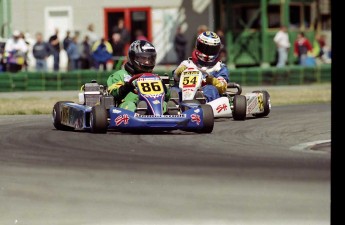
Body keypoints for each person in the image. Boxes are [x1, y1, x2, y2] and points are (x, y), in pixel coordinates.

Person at [106, 40, 174, 113]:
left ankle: (172, 114)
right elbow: (112, 92)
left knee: (164, 104)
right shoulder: (120, 74)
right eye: (143, 58)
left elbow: (167, 97)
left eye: (150, 59)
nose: (147, 62)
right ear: (133, 57)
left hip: (153, 105)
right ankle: (140, 112)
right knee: (129, 106)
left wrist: (164, 89)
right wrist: (125, 88)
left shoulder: (154, 77)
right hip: (128, 106)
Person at [172, 31, 229, 103]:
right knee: (174, 89)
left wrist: (212, 81)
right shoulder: (187, 63)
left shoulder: (219, 68)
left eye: (211, 50)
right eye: (204, 48)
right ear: (198, 46)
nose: (207, 52)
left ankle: (202, 100)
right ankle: (173, 104)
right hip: (185, 92)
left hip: (204, 93)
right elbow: (175, 77)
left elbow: (222, 86)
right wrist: (178, 72)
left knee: (211, 89)